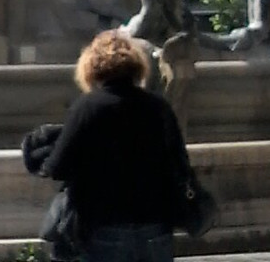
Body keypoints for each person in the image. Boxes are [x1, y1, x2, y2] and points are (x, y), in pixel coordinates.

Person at [41, 31, 187, 261]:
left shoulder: (87, 108)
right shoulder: (158, 108)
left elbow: (58, 167)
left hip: (104, 227)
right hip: (155, 226)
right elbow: (180, 163)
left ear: (91, 67)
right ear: (137, 66)